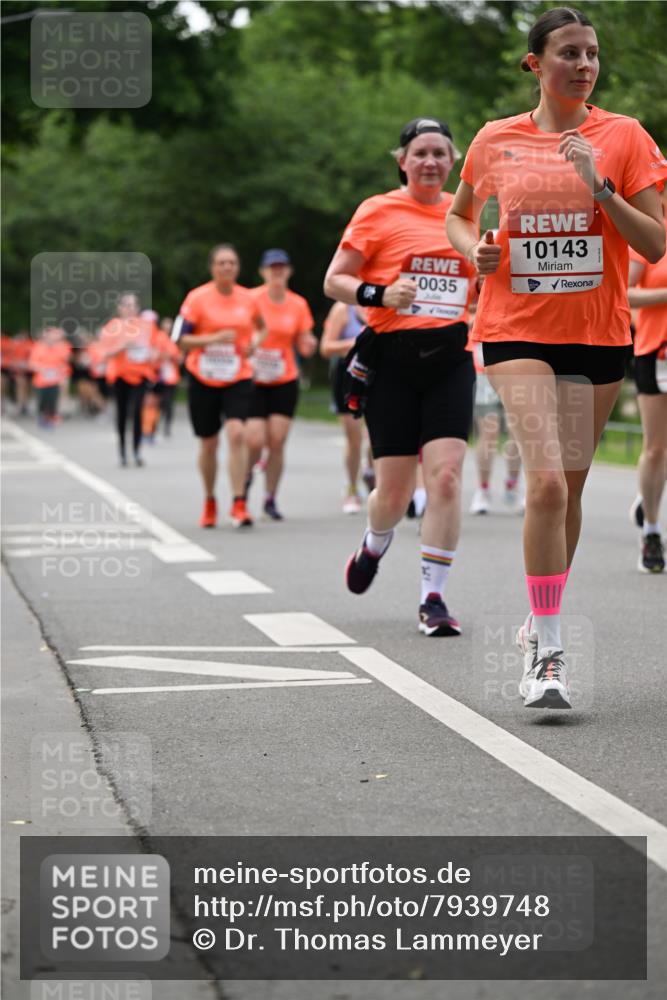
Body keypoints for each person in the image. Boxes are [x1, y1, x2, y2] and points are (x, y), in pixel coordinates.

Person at [446, 6, 667, 708]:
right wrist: (471, 249)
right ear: (534, 63)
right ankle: (547, 649)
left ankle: (536, 615)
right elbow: (458, 213)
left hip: (595, 333)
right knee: (542, 485)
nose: (583, 64)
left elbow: (655, 245)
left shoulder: (623, 136)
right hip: (513, 325)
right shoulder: (494, 139)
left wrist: (599, 185)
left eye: (592, 54)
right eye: (568, 52)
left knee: (566, 493)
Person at [324, 117, 477, 637]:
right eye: (420, 153)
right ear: (402, 161)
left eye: (439, 152)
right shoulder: (378, 209)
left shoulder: (467, 212)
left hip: (450, 359)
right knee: (392, 492)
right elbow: (334, 281)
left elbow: (480, 286)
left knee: (448, 477)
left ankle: (433, 597)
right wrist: (379, 294)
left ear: (453, 160)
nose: (430, 161)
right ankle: (374, 542)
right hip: (391, 359)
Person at [172, 244, 267, 528]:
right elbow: (180, 339)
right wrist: (212, 339)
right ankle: (210, 499)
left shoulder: (247, 299)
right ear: (212, 267)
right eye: (221, 263)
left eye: (232, 263)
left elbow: (262, 327)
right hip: (203, 376)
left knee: (237, 433)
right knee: (209, 442)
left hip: (237, 375)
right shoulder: (197, 298)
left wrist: (254, 343)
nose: (227, 267)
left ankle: (239, 501)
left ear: (237, 267)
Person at [244, 249, 317, 520]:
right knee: (254, 440)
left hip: (284, 377)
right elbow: (239, 328)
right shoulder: (251, 299)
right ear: (263, 272)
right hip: (253, 378)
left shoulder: (297, 304)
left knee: (277, 441)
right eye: (271, 268)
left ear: (288, 271)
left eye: (281, 267)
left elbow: (303, 340)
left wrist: (308, 344)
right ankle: (247, 475)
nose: (277, 272)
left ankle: (270, 497)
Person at [627, 186, 667, 573]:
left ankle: (647, 495)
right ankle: (652, 532)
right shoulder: (652, 234)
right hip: (656, 352)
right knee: (656, 448)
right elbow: (623, 294)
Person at [319, 300, 375, 514]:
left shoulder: (383, 301)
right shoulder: (343, 309)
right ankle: (351, 488)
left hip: (376, 373)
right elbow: (326, 347)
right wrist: (356, 343)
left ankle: (370, 471)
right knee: (354, 438)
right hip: (348, 376)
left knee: (377, 434)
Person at [100, 292, 161, 467]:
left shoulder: (146, 326)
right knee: (122, 414)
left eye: (133, 305)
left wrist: (152, 354)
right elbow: (105, 353)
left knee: (137, 413)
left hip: (141, 375)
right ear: (119, 308)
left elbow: (156, 348)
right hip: (120, 375)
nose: (130, 308)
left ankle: (136, 451)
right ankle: (122, 452)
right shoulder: (112, 326)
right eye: (126, 305)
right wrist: (124, 345)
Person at [469, 341, 524, 515]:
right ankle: (483, 490)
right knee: (489, 432)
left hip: (516, 366)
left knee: (517, 430)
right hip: (484, 368)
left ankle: (512, 483)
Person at [29, 326, 71, 428]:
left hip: (55, 380)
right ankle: (42, 416)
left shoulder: (61, 347)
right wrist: (41, 368)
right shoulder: (38, 347)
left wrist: (59, 372)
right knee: (43, 399)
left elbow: (65, 360)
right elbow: (32, 363)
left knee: (53, 399)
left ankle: (52, 416)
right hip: (41, 380)